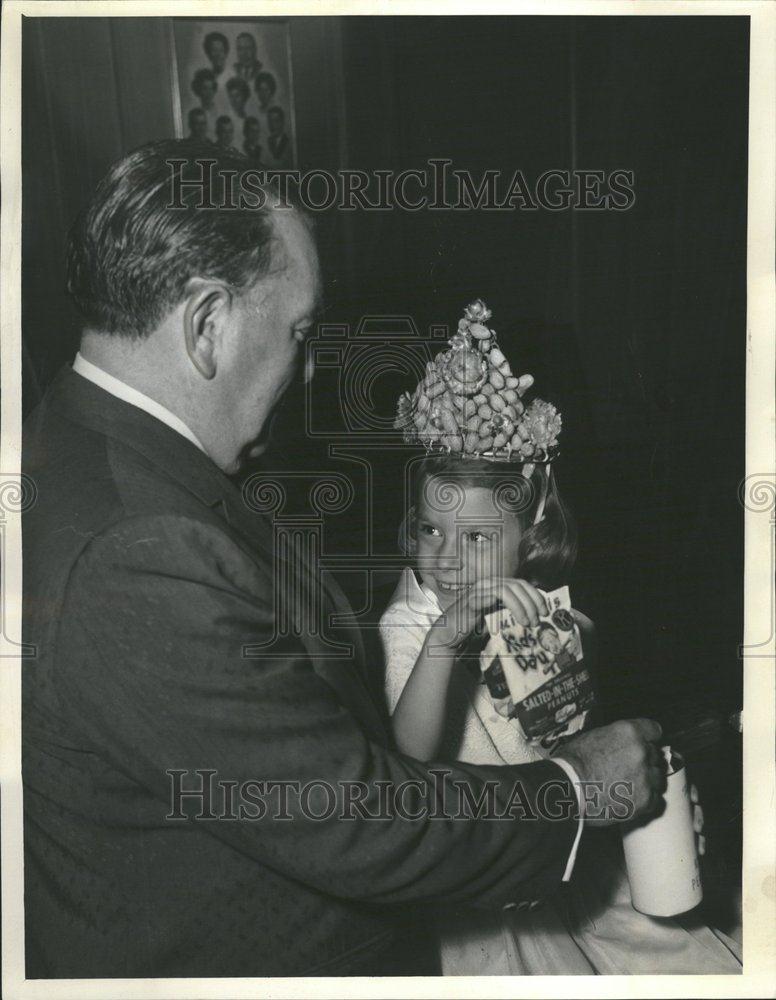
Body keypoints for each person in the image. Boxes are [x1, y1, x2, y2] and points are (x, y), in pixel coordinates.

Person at [22, 140, 664, 979]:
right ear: (206, 323)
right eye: (299, 331)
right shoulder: (137, 549)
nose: (310, 363)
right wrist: (574, 788)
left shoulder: (88, 448)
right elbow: (355, 816)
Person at [381, 300, 743, 975]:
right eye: (431, 530)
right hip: (480, 867)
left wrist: (566, 653)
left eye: (477, 538)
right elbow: (409, 749)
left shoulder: (541, 606)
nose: (447, 557)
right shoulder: (411, 618)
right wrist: (445, 641)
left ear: (530, 535)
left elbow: (575, 727)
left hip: (568, 838)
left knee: (687, 954)